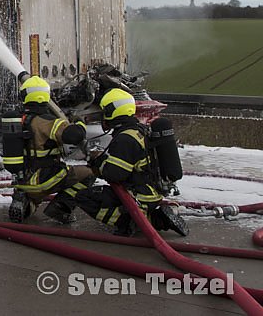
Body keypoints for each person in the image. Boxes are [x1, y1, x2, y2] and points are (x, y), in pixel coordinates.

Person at [75, 88, 188, 236]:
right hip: (150, 192)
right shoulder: (138, 130)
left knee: (84, 197)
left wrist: (97, 162)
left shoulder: (125, 139)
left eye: (105, 111)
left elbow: (115, 174)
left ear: (112, 112)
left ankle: (136, 221)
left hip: (137, 196)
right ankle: (154, 218)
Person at [5, 75, 95, 224]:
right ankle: (60, 208)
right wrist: (79, 123)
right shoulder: (48, 122)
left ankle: (25, 203)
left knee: (35, 198)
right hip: (46, 178)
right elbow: (74, 135)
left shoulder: (18, 120)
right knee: (89, 174)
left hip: (23, 179)